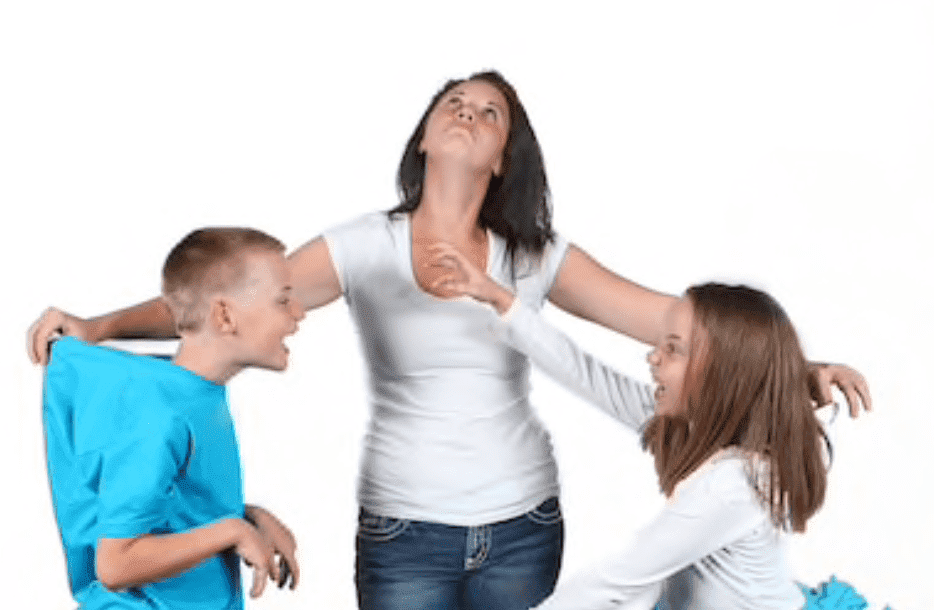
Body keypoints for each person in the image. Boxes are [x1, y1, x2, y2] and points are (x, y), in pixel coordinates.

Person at [27, 71, 870, 610]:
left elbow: (671, 326)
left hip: (522, 526)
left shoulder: (537, 256)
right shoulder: (364, 245)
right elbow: (224, 299)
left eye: (491, 111)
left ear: (505, 157)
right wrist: (100, 325)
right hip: (404, 532)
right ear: (425, 136)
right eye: (453, 104)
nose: (469, 112)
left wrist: (795, 371)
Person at [428, 242, 872, 609]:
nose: (653, 356)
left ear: (722, 373)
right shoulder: (691, 428)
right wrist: (502, 301)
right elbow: (584, 373)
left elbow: (618, 581)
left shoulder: (735, 483)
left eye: (674, 349)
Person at [42, 228, 303, 609]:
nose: (299, 313)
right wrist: (230, 531)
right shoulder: (159, 416)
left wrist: (248, 517)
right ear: (225, 316)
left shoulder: (194, 396)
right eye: (283, 301)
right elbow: (116, 564)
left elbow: (170, 505)